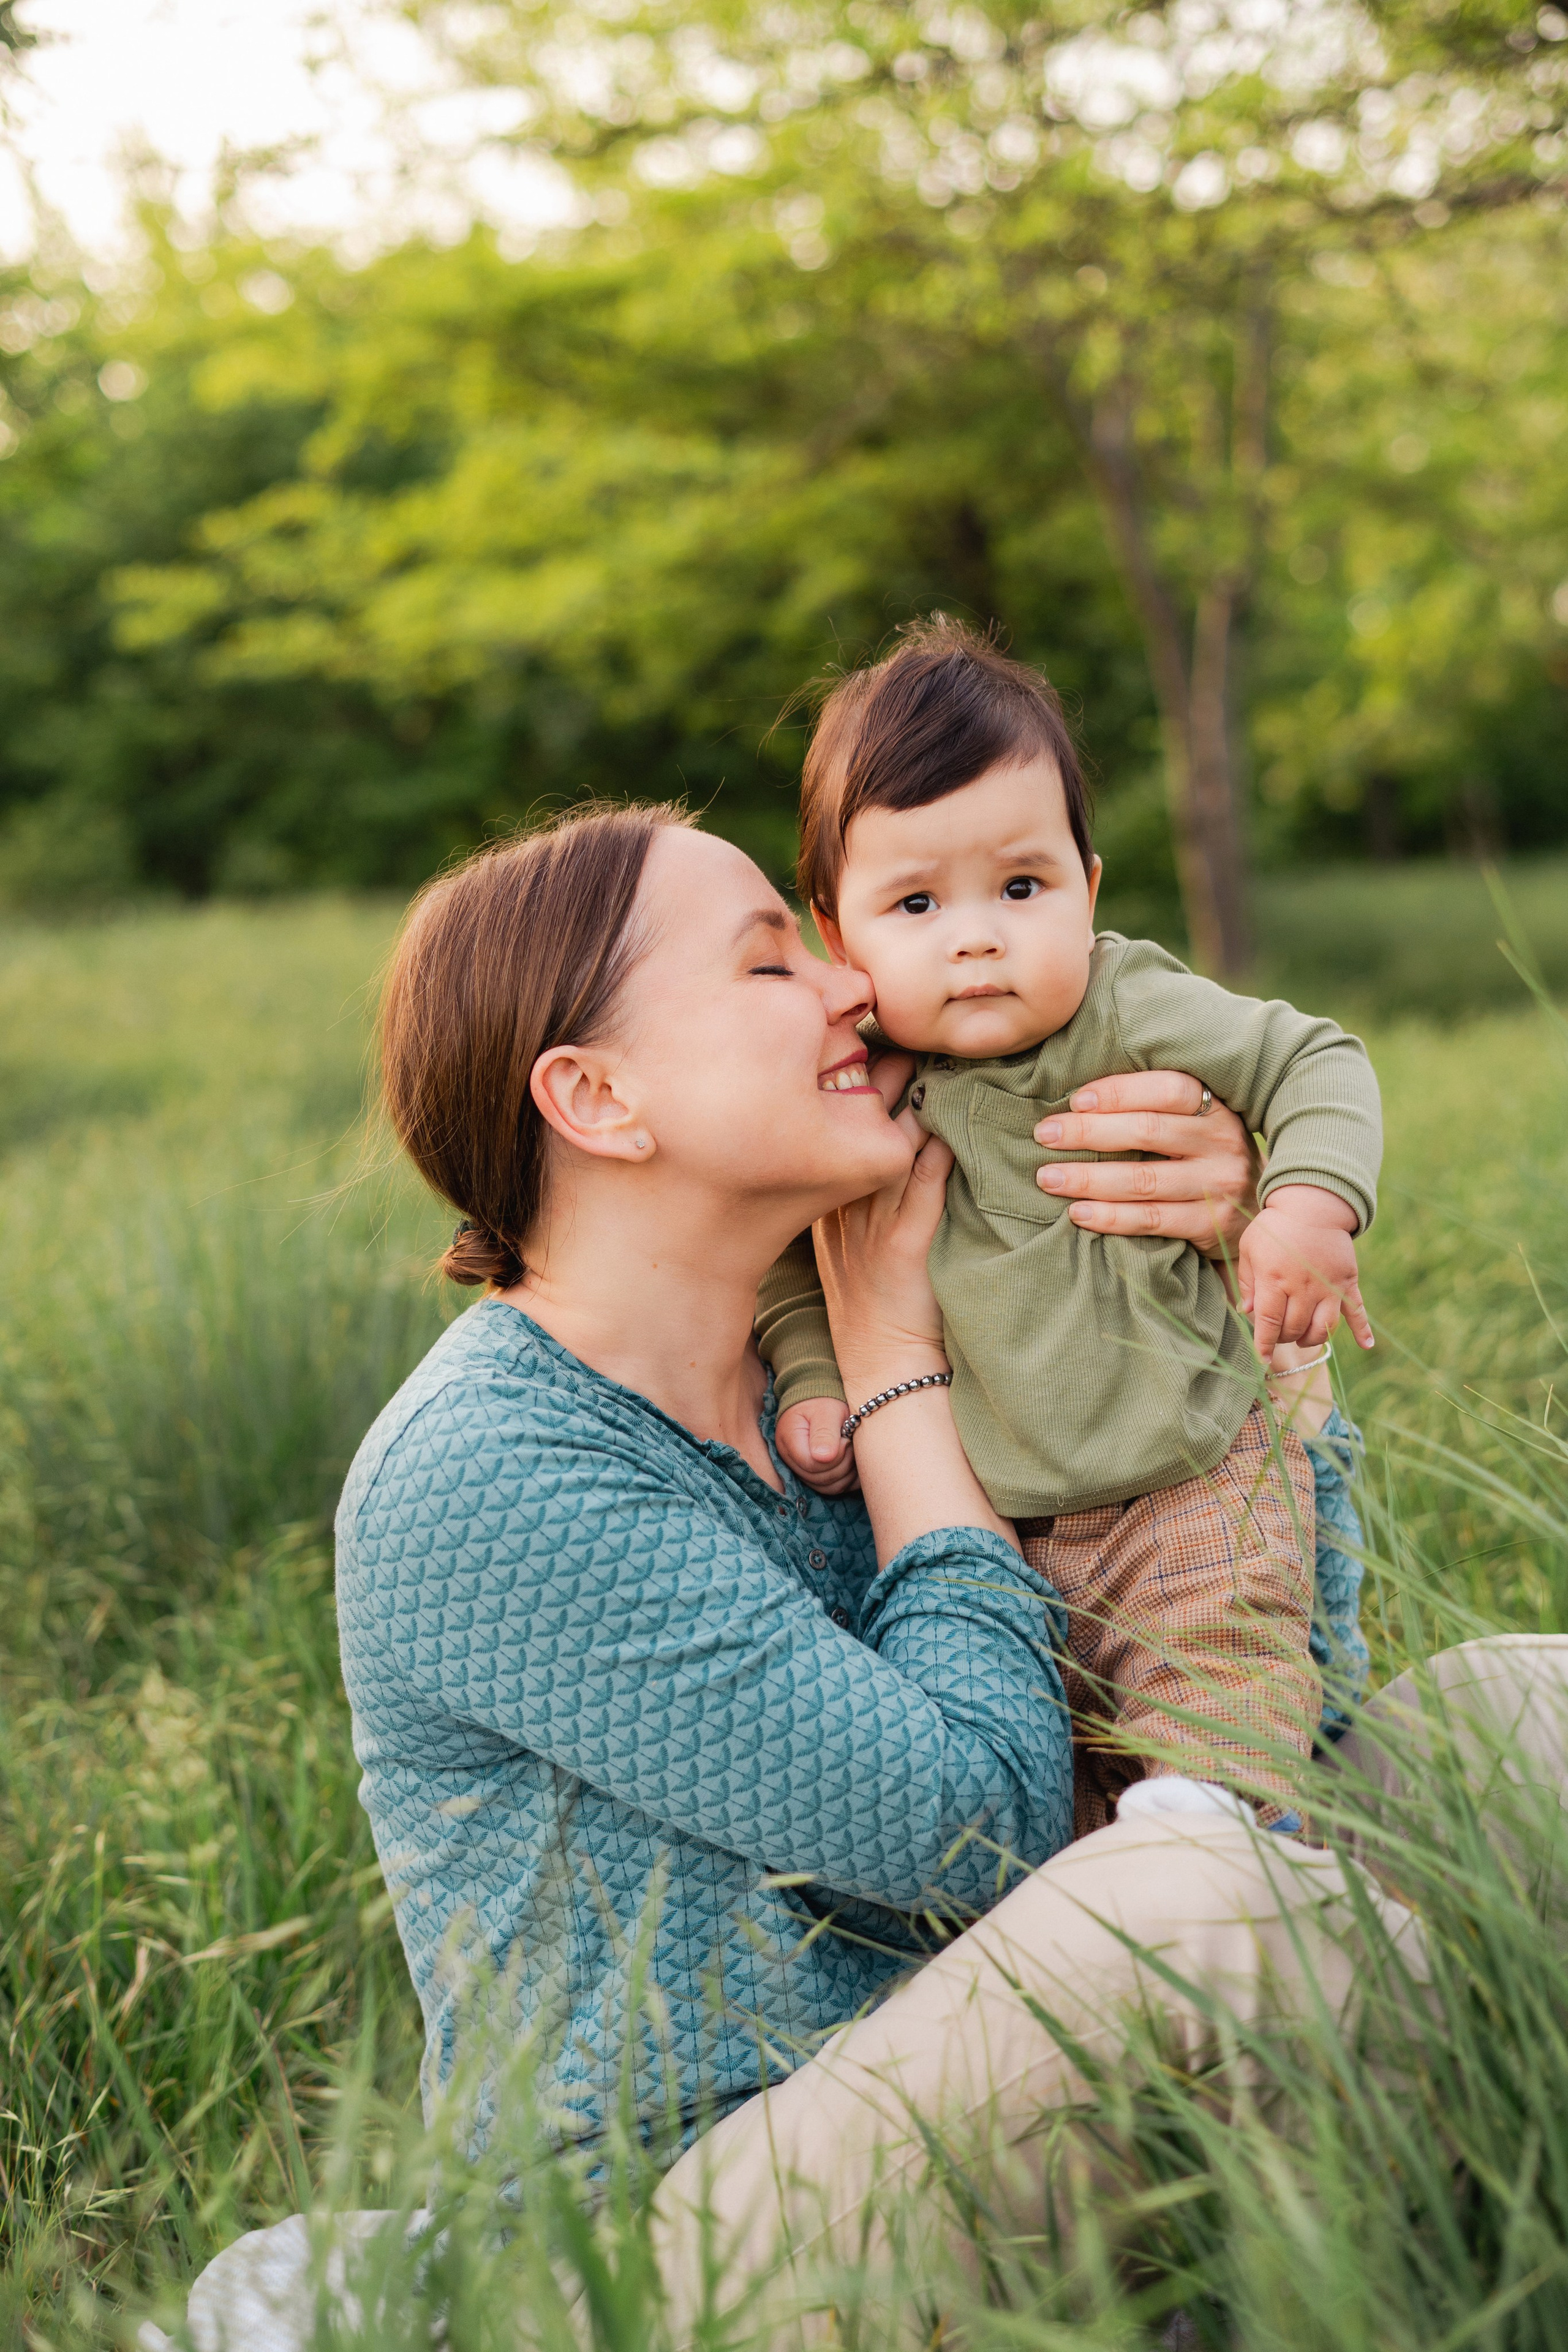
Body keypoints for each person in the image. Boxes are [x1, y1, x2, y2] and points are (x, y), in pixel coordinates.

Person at [160, 801, 1566, 2352]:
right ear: (596, 1096)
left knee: (1524, 1719)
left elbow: (1269, 1666)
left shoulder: (839, 1336)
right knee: (1201, 1903)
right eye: (770, 961)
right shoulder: (493, 1476)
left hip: (980, 2078)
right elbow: (973, 1835)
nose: (849, 983)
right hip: (664, 2244)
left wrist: (1193, 1285)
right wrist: (895, 1381)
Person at [757, 619, 1381, 1830]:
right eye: (917, 901)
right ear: (835, 932)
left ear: (1087, 893)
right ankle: (1150, 1917)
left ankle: (1223, 1839)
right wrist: (809, 1373)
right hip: (998, 1538)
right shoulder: (860, 1087)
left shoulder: (1121, 1003)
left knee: (1221, 1717)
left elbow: (1311, 1057)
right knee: (1065, 1797)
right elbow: (792, 1257)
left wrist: (1303, 1202)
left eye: (1021, 886)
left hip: (1186, 1481)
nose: (976, 934)